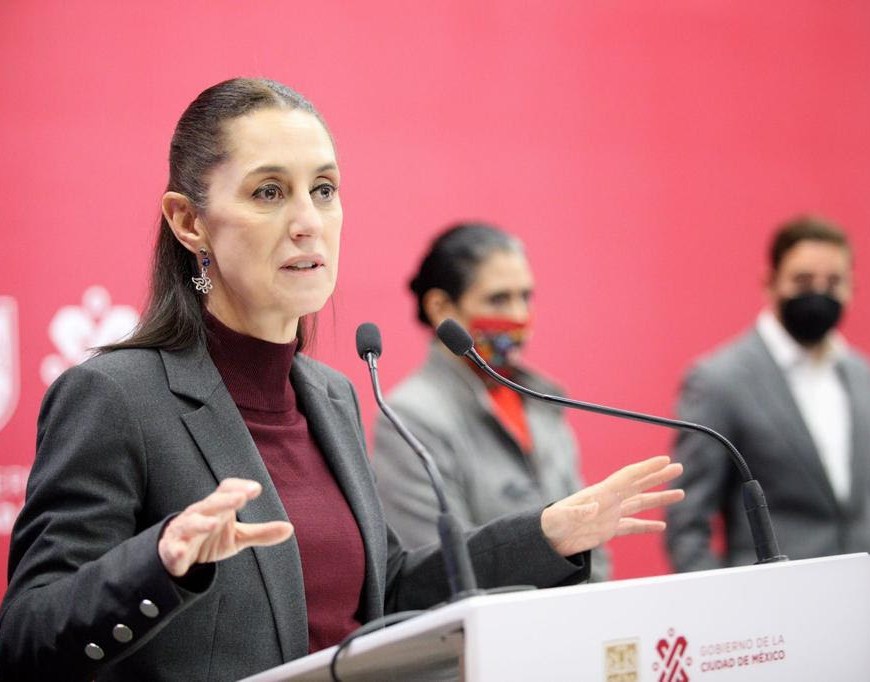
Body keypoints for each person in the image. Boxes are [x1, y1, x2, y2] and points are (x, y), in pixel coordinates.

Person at [0, 78, 683, 682]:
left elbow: (389, 594)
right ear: (188, 222)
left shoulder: (332, 395)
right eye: (269, 192)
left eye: (323, 190)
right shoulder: (117, 397)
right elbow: (26, 637)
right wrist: (159, 561)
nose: (307, 222)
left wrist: (547, 533)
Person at [373, 223, 611, 581]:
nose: (519, 315)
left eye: (525, 297)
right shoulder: (409, 416)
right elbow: (440, 569)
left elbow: (593, 538)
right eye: (498, 299)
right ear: (441, 307)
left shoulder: (542, 401)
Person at [666, 216, 870, 572]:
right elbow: (688, 523)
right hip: (775, 600)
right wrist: (726, 602)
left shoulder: (861, 375)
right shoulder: (720, 381)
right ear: (770, 282)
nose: (819, 293)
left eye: (833, 282)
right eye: (803, 280)